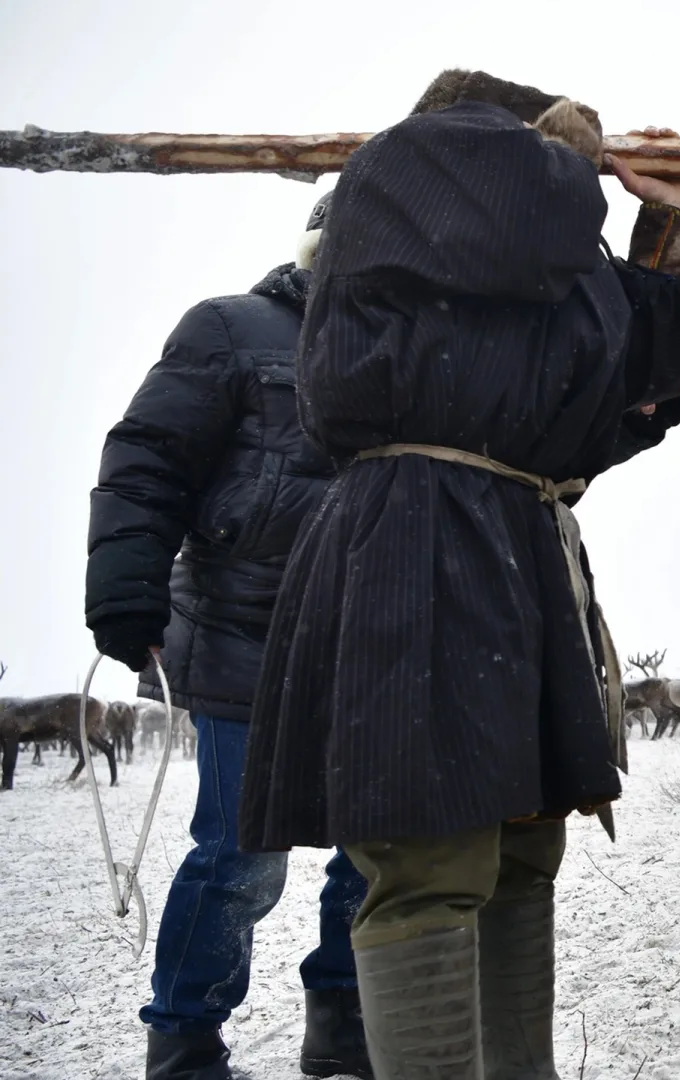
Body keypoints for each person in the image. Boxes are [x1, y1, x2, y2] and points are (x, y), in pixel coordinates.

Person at [235, 69, 680, 1078]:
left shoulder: (519, 270)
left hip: (511, 537)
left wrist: (666, 229)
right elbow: (467, 164)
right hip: (413, 541)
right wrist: (562, 150)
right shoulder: (398, 183)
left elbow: (629, 358)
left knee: (519, 849)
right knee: (430, 856)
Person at [85, 194, 372, 1080]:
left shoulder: (417, 353)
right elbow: (147, 457)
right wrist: (126, 590)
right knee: (242, 854)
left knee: (382, 851)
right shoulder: (231, 329)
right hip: (248, 628)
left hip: (379, 639)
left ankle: (347, 1027)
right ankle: (184, 1042)